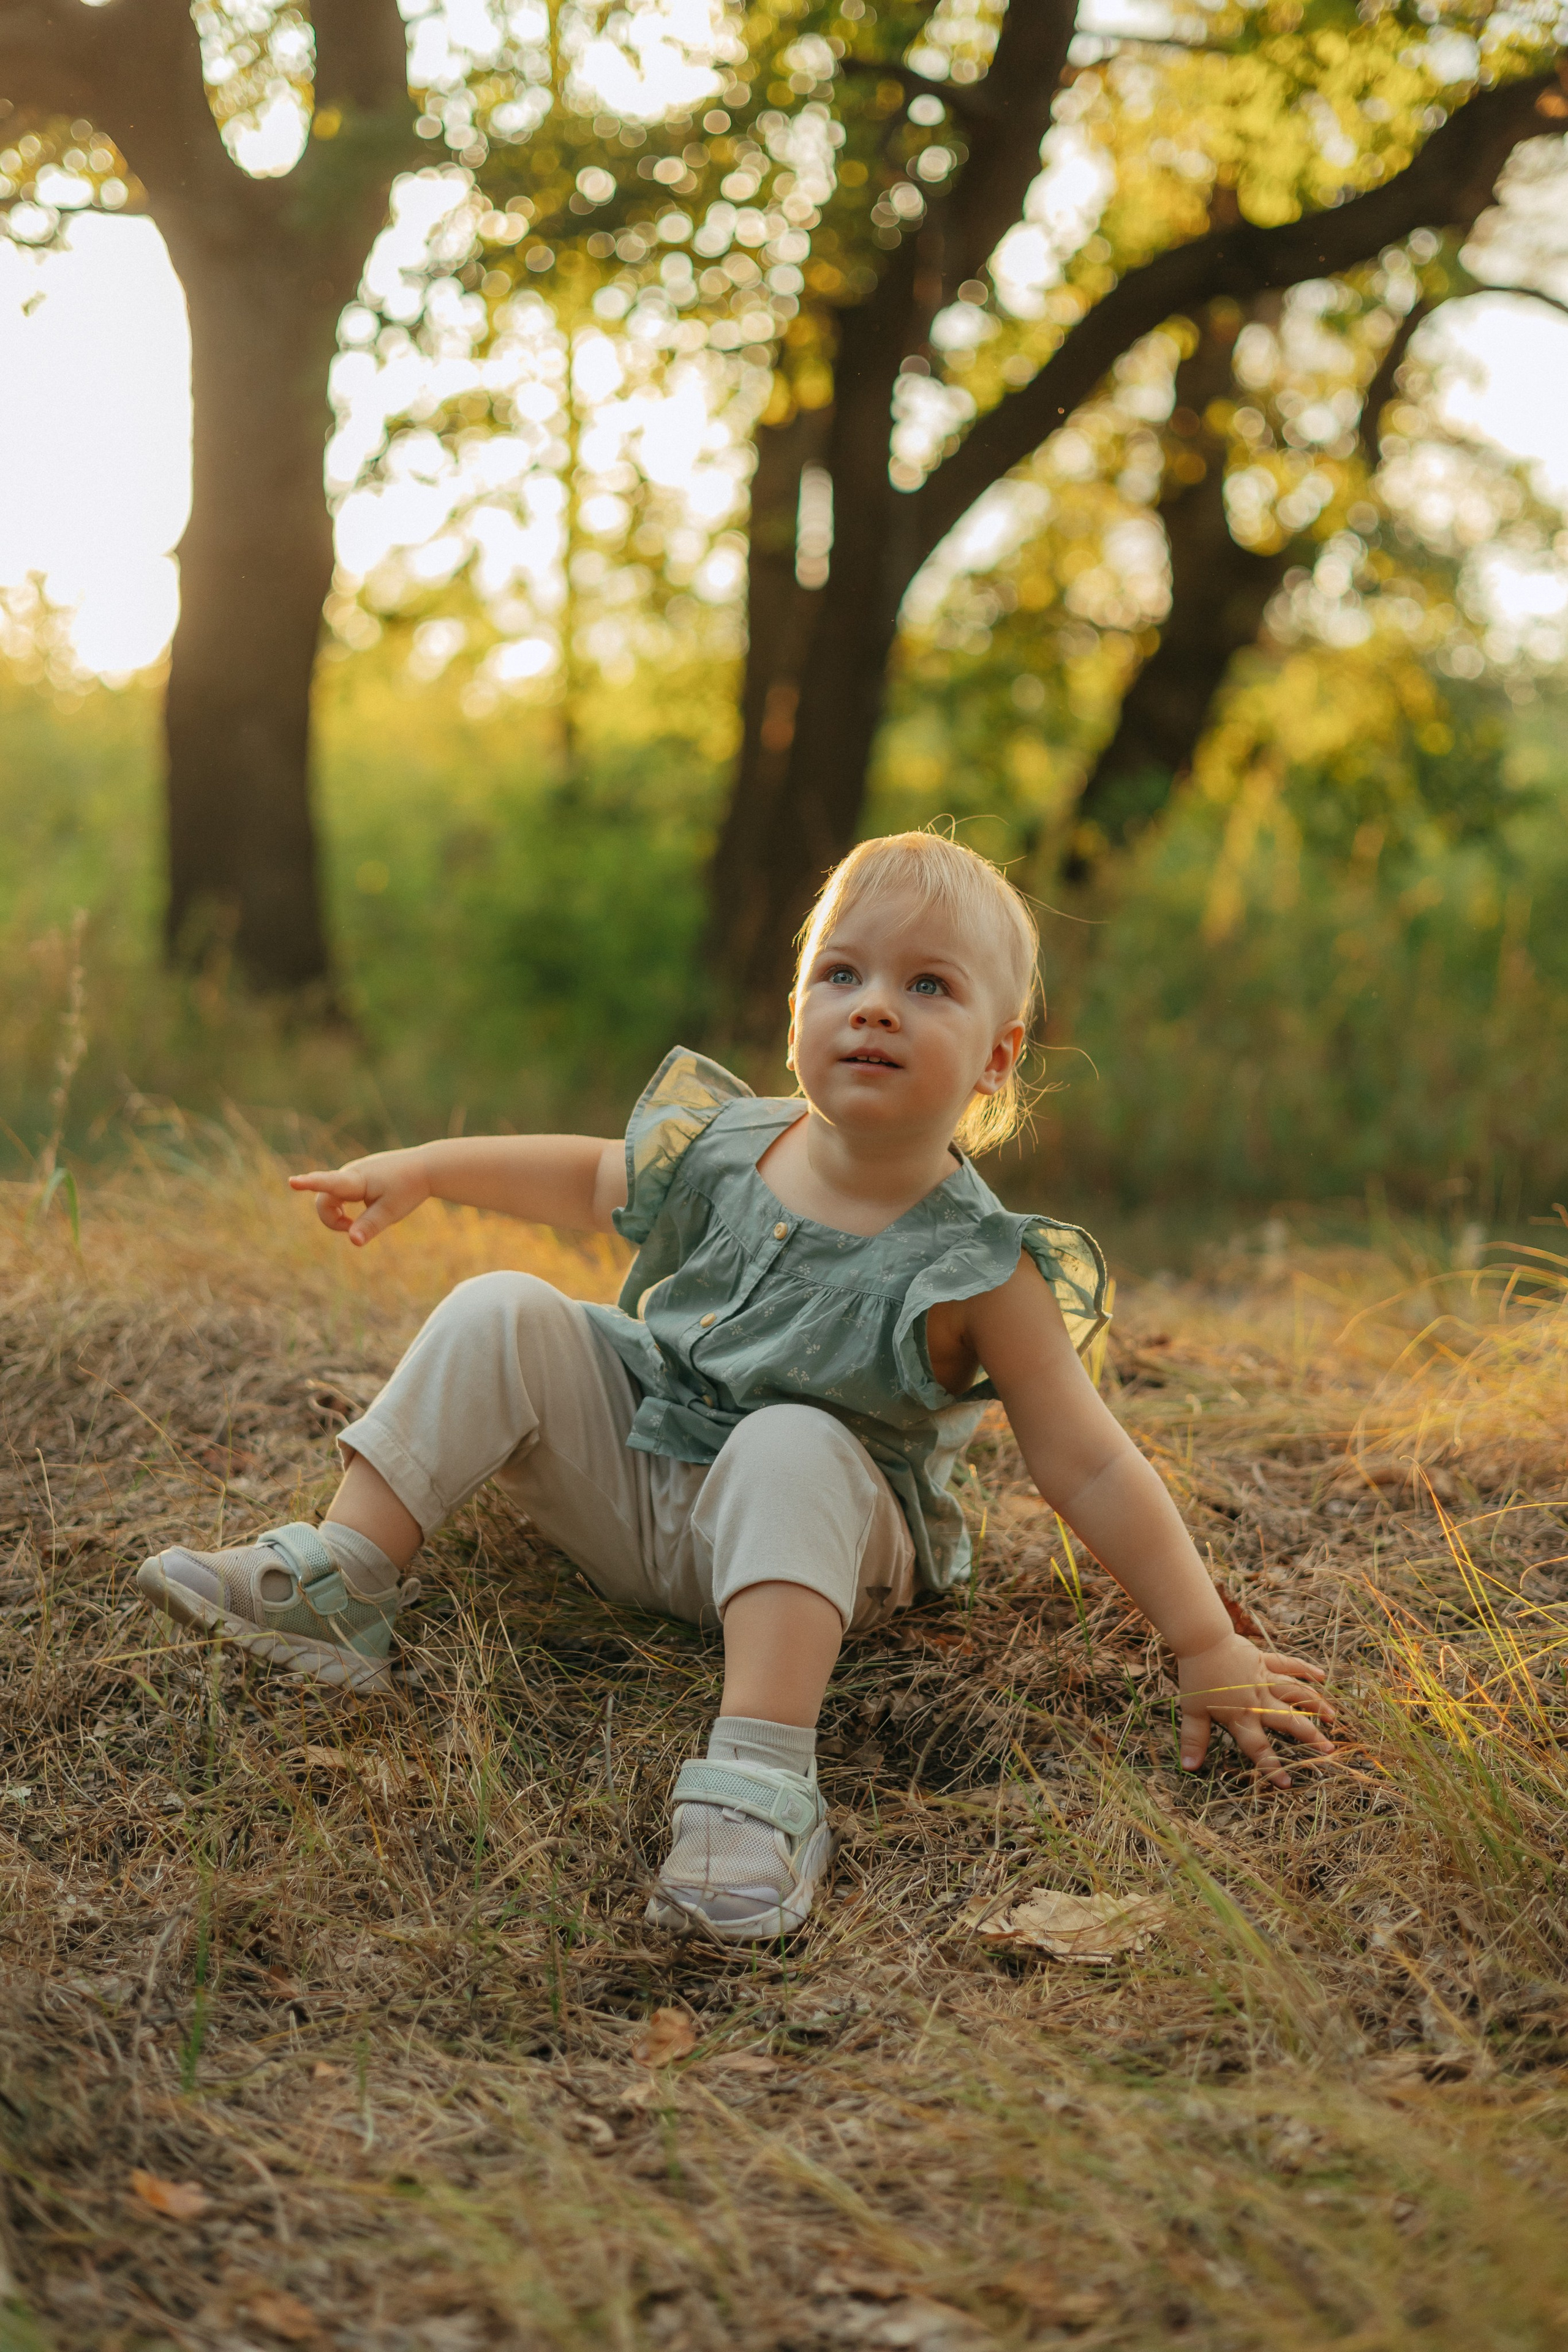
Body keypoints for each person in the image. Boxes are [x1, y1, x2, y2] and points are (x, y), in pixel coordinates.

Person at [136, 830, 1333, 1940]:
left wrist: (1199, 1640)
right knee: (505, 1306)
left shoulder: (982, 1265)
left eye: (928, 985)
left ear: (994, 1057)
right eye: (842, 975)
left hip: (810, 1547)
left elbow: (1086, 1457)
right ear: (797, 1009)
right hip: (643, 1490)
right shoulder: (724, 1147)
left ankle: (759, 1781)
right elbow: (581, 1180)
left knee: (792, 1439)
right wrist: (425, 1170)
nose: (873, 1005)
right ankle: (347, 1580)